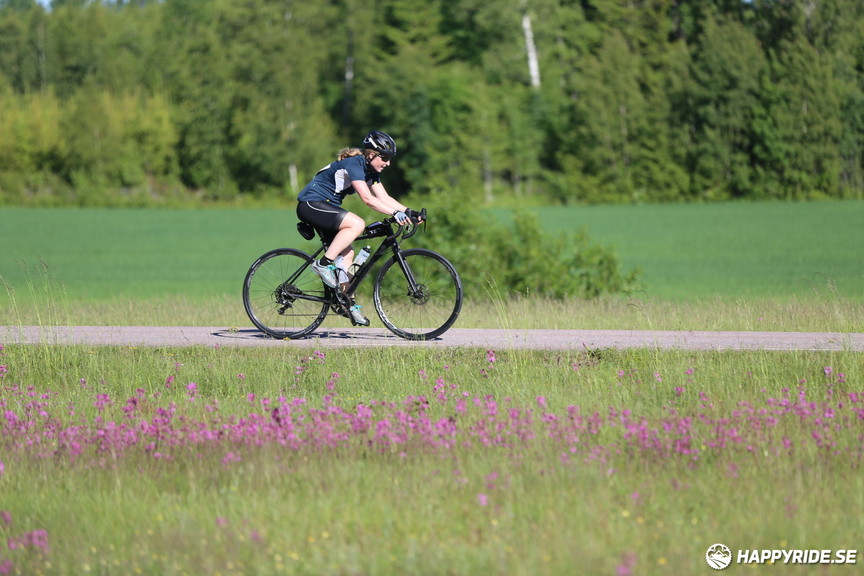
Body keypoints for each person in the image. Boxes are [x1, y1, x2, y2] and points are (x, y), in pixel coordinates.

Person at [296, 130, 420, 326]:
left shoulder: (371, 171)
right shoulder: (355, 164)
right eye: (385, 158)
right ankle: (322, 264)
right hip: (311, 204)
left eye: (390, 159)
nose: (388, 163)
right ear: (371, 154)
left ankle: (345, 302)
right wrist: (395, 214)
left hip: (326, 207)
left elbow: (384, 198)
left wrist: (410, 212)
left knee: (347, 256)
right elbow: (368, 199)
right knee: (357, 224)